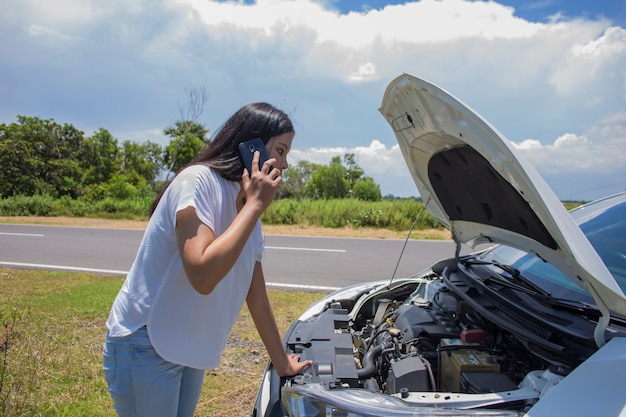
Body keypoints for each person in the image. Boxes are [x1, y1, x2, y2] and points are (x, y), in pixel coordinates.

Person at [103, 102, 313, 417]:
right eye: (280, 151)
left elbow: (255, 293)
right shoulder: (197, 182)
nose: (284, 164)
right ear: (251, 147)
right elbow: (202, 274)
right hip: (147, 342)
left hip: (185, 346)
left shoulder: (246, 211)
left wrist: (282, 363)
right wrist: (254, 206)